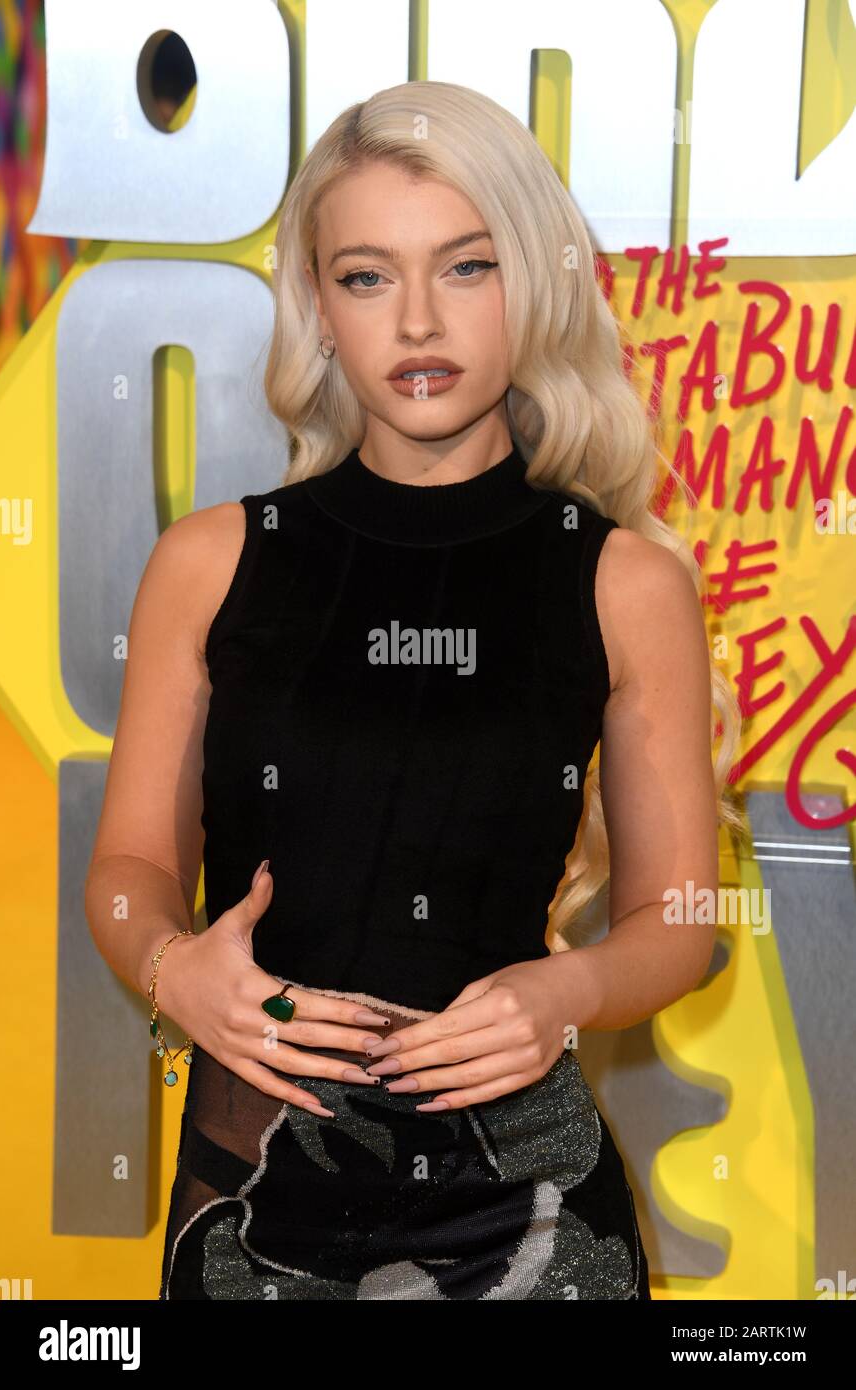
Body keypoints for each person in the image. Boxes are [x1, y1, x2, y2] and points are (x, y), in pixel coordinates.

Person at [85, 80, 741, 1300]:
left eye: (468, 267)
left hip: (533, 1208)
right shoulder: (211, 561)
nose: (420, 319)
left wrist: (570, 986)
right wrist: (179, 968)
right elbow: (127, 872)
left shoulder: (623, 579)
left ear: (531, 285)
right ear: (320, 308)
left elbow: (681, 920)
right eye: (369, 275)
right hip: (253, 1190)